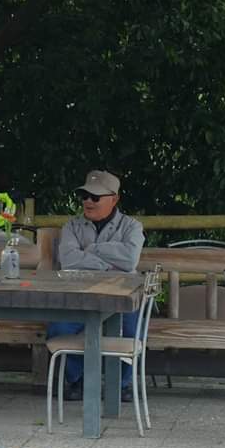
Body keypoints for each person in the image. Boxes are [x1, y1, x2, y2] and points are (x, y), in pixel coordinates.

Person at [47, 169, 144, 402]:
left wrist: (90, 250)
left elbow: (130, 259)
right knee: (58, 328)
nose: (88, 201)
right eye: (84, 196)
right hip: (78, 295)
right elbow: (69, 259)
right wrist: (110, 262)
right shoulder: (71, 226)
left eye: (95, 197)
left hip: (121, 296)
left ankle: (121, 385)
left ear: (114, 199)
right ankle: (76, 380)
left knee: (131, 330)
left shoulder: (132, 226)